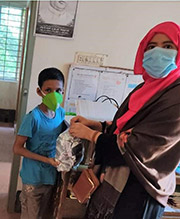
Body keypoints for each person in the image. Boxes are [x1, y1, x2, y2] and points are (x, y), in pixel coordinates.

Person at [69, 21, 180, 219]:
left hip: (141, 188)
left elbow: (139, 146)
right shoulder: (144, 88)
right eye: (151, 47)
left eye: (168, 46)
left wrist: (91, 135)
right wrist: (98, 125)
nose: (157, 53)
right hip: (116, 178)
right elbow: (127, 125)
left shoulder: (175, 96)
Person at [13, 67, 65, 219]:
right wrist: (46, 160)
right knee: (31, 214)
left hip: (50, 175)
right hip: (33, 178)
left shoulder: (60, 113)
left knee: (43, 214)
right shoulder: (33, 118)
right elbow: (17, 148)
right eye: (48, 90)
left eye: (58, 90)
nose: (54, 95)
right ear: (39, 91)